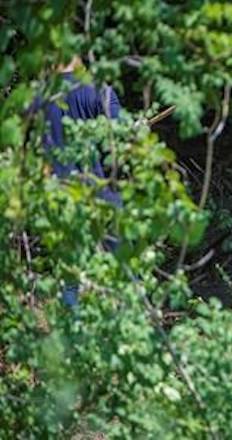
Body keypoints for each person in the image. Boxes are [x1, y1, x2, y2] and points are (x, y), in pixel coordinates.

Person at [40, 56, 123, 306]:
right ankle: (135, 325)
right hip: (100, 189)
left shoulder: (38, 98)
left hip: (59, 192)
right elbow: (116, 146)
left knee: (70, 274)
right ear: (78, 59)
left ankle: (72, 334)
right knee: (126, 264)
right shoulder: (100, 90)